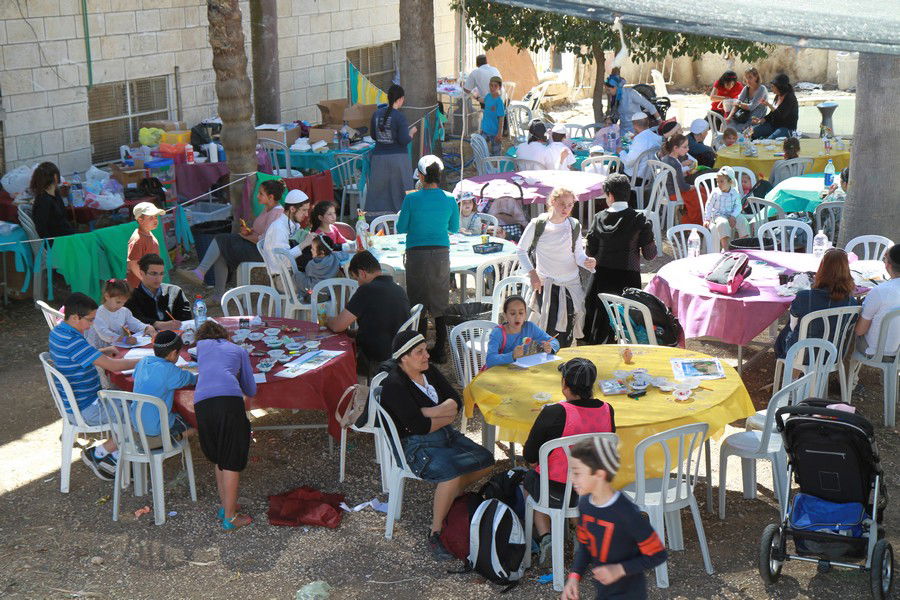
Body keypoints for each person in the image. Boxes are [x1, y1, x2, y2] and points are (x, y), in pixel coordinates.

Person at [378, 330, 495, 560]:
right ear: (404, 358)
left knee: (486, 461)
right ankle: (436, 531)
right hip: (415, 447)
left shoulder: (428, 371)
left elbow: (456, 401)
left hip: (445, 434)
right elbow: (418, 427)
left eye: (426, 350)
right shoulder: (394, 384)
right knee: (450, 474)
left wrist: (430, 413)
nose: (426, 356)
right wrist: (442, 413)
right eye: (419, 352)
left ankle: (449, 496)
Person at [523, 358, 616, 565]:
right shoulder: (607, 409)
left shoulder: (554, 412)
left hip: (555, 491)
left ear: (564, 384)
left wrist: (536, 465)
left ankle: (546, 538)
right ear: (591, 385)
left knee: (530, 483)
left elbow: (530, 455)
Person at [561, 437, 667, 600]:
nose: (571, 478)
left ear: (599, 474)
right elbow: (585, 546)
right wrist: (574, 577)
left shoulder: (627, 513)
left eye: (576, 472)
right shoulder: (585, 505)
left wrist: (619, 570)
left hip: (630, 595)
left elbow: (658, 554)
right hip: (604, 592)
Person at [48, 292, 139, 480]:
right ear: (74, 317)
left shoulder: (59, 332)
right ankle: (102, 452)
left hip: (79, 401)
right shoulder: (73, 339)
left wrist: (102, 350)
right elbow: (113, 365)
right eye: (90, 320)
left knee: (126, 398)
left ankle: (111, 454)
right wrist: (145, 361)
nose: (92, 324)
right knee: (137, 411)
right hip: (88, 407)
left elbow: (78, 356)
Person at [193, 319, 257, 530]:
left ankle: (225, 506)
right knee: (231, 459)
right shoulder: (238, 350)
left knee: (219, 457)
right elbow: (250, 389)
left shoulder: (199, 349)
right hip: (228, 402)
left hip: (202, 403)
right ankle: (230, 518)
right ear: (225, 336)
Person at [396, 155, 458, 363]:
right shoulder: (449, 198)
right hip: (441, 253)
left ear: (421, 176)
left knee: (418, 302)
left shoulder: (411, 198)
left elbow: (401, 227)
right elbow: (454, 228)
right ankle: (440, 350)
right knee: (441, 301)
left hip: (416, 253)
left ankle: (419, 350)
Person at [517, 188, 596, 347]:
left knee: (569, 326)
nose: (566, 209)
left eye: (570, 205)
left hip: (571, 284)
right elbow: (521, 250)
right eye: (562, 204)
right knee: (549, 328)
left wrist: (587, 261)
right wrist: (532, 273)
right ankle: (547, 361)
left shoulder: (574, 225)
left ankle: (564, 360)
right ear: (552, 202)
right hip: (547, 284)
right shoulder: (538, 224)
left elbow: (578, 255)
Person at [182, 179, 285, 300]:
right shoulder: (268, 208)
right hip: (253, 245)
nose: (257, 195)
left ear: (271, 197)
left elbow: (265, 241)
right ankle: (217, 295)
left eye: (261, 193)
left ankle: (200, 272)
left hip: (261, 252)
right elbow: (260, 230)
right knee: (221, 254)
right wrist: (249, 231)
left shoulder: (277, 212)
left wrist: (245, 236)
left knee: (221, 239)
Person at [584, 174, 657, 343]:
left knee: (598, 327)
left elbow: (590, 251)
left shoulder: (598, 218)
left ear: (609, 195)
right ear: (628, 193)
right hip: (628, 281)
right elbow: (650, 254)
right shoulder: (639, 219)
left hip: (601, 279)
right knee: (627, 327)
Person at [328, 250, 410, 377]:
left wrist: (327, 320)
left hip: (377, 360)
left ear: (362, 273)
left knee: (335, 362)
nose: (358, 284)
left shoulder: (366, 290)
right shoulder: (397, 288)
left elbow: (338, 326)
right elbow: (383, 323)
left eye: (356, 279)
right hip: (401, 354)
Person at [775, 248, 857, 359]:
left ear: (821, 269)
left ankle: (793, 375)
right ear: (847, 272)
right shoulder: (852, 303)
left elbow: (793, 327)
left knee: (788, 330)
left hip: (801, 354)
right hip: (832, 355)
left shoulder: (804, 296)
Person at [131, 331, 197, 447]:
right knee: (195, 422)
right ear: (173, 353)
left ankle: (167, 439)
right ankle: (173, 438)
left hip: (137, 424)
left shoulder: (143, 362)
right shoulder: (169, 370)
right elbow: (193, 379)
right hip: (158, 428)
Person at [367, 84, 417, 214]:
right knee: (402, 188)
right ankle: (403, 215)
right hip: (398, 159)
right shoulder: (400, 117)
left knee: (380, 191)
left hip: (379, 159)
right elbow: (403, 140)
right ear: (400, 99)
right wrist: (411, 133)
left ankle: (377, 218)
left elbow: (373, 136)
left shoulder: (376, 114)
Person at [485, 295, 560, 367]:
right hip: (499, 373)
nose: (517, 317)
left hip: (520, 371)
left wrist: (550, 347)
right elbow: (490, 360)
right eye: (512, 313)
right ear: (505, 315)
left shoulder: (530, 327)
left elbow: (554, 341)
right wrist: (512, 355)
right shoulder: (498, 333)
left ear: (525, 314)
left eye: (521, 313)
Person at [855, 244, 900, 357]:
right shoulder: (881, 291)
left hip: (877, 351)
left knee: (849, 333)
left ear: (888, 265)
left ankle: (846, 370)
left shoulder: (879, 291)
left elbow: (860, 331)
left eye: (885, 258)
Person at [125, 253, 191, 330]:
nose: (158, 278)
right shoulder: (131, 295)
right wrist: (156, 324)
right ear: (142, 273)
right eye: (153, 274)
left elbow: (186, 318)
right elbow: (132, 320)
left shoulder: (175, 291)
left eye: (161, 274)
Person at [87, 278, 156, 349]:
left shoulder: (124, 311)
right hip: (100, 349)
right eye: (118, 302)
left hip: (118, 347)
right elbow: (104, 333)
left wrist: (146, 327)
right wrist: (124, 339)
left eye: (124, 302)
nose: (121, 305)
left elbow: (133, 323)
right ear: (107, 296)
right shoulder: (97, 314)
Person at [261, 189, 313, 274]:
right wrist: (304, 244)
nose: (307, 214)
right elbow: (283, 261)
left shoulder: (293, 225)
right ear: (292, 209)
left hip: (294, 273)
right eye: (304, 210)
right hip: (283, 278)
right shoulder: (279, 228)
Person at [657, 134, 703, 224]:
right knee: (703, 197)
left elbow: (673, 176)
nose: (688, 149)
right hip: (674, 193)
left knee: (703, 191)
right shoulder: (676, 164)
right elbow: (683, 187)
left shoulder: (666, 158)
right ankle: (691, 223)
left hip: (667, 190)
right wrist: (696, 186)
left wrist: (686, 173)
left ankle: (688, 219)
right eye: (685, 147)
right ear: (675, 148)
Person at [703, 166, 749, 251]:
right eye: (717, 181)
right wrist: (707, 219)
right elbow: (709, 205)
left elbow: (738, 206)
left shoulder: (734, 193)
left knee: (743, 221)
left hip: (732, 214)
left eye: (721, 181)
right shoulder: (715, 192)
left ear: (730, 182)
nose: (718, 184)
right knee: (723, 224)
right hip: (719, 215)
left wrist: (733, 216)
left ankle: (744, 245)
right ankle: (727, 248)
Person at [30, 161, 74, 240]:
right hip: (60, 242)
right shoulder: (43, 200)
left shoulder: (54, 195)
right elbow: (42, 230)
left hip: (66, 237)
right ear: (55, 177)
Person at [127, 202, 165, 288]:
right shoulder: (138, 240)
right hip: (139, 286)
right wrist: (145, 281)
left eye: (156, 217)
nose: (155, 220)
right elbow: (133, 264)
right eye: (151, 218)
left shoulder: (148, 233)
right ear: (140, 220)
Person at [751, 74, 798, 140]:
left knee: (769, 141)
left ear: (779, 87)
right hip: (774, 125)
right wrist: (761, 120)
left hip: (786, 127)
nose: (771, 88)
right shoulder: (778, 96)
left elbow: (781, 116)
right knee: (752, 132)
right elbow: (772, 114)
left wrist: (769, 105)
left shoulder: (790, 98)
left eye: (773, 87)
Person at [620, 113, 662, 183]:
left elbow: (628, 162)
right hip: (651, 176)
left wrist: (621, 151)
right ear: (648, 122)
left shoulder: (639, 139)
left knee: (615, 172)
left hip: (636, 179)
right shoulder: (657, 137)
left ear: (634, 125)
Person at [479, 76, 506, 155]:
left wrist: (499, 133)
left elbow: (501, 118)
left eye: (495, 86)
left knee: (496, 153)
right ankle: (483, 163)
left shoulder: (499, 102)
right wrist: (476, 97)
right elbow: (484, 100)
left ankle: (495, 166)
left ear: (500, 87)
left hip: (495, 132)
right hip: (485, 129)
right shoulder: (488, 96)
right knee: (481, 148)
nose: (492, 88)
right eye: (491, 85)